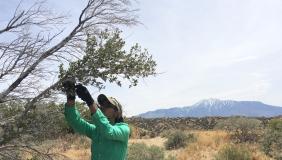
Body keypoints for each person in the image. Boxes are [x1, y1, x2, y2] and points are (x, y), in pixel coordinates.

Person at [63, 82, 130, 160]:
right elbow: (75, 121)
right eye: (102, 105)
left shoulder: (124, 129)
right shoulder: (96, 130)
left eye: (108, 105)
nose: (103, 107)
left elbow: (108, 131)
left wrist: (90, 101)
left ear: (116, 111)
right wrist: (71, 97)